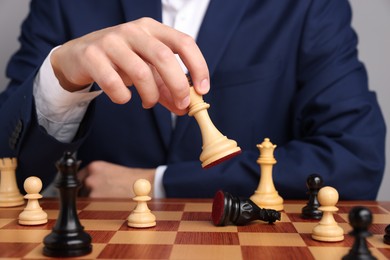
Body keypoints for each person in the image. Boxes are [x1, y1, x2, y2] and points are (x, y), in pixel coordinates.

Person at [0, 0, 386, 200]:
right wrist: (61, 77)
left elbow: (355, 158)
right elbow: (7, 170)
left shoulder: (307, 6)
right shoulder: (63, 4)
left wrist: (160, 183)